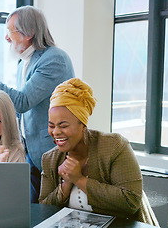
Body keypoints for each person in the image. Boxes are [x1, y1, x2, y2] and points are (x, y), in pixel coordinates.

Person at [0, 5, 74, 202]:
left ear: (29, 33)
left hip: (52, 151)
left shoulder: (54, 59)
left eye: (10, 31)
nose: (6, 38)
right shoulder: (24, 64)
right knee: (30, 210)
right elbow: (19, 110)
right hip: (30, 152)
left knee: (52, 210)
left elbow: (23, 101)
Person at [39, 78, 159, 226]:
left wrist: (79, 179)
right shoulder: (50, 159)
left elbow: (130, 201)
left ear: (83, 125)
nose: (56, 132)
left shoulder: (115, 146)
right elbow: (43, 208)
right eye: (51, 125)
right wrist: (66, 185)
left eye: (63, 126)